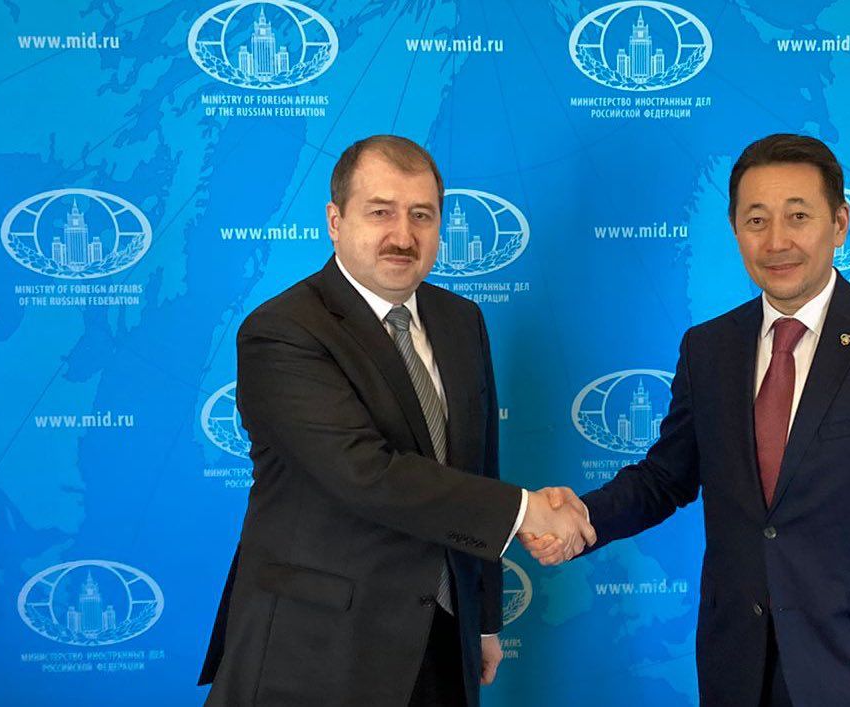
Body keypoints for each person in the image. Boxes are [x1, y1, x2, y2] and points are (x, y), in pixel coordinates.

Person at [524, 134, 850, 707]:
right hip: (738, 670)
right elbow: (666, 477)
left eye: (798, 216)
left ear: (840, 224)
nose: (777, 241)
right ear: (735, 230)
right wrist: (584, 517)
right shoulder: (709, 348)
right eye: (756, 220)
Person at [199, 135, 593, 707]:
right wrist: (529, 510)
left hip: (442, 638)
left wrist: (483, 620)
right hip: (318, 651)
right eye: (380, 212)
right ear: (336, 221)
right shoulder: (283, 331)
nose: (403, 236)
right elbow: (367, 474)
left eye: (421, 215)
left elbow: (476, 468)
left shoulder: (461, 320)